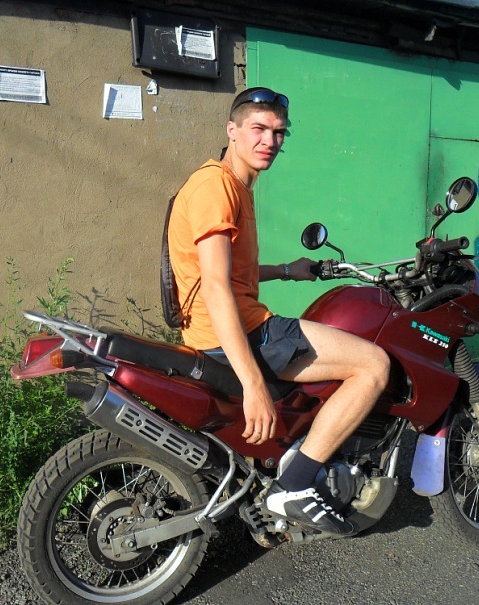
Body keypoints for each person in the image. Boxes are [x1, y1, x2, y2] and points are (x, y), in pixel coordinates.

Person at [167, 87, 390, 535]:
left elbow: (229, 271)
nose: (269, 140)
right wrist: (253, 385)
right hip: (240, 332)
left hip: (220, 329)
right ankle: (296, 484)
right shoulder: (216, 187)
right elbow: (216, 288)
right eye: (258, 129)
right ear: (231, 131)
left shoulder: (234, 185)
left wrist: (288, 271)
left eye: (278, 132)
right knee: (374, 364)